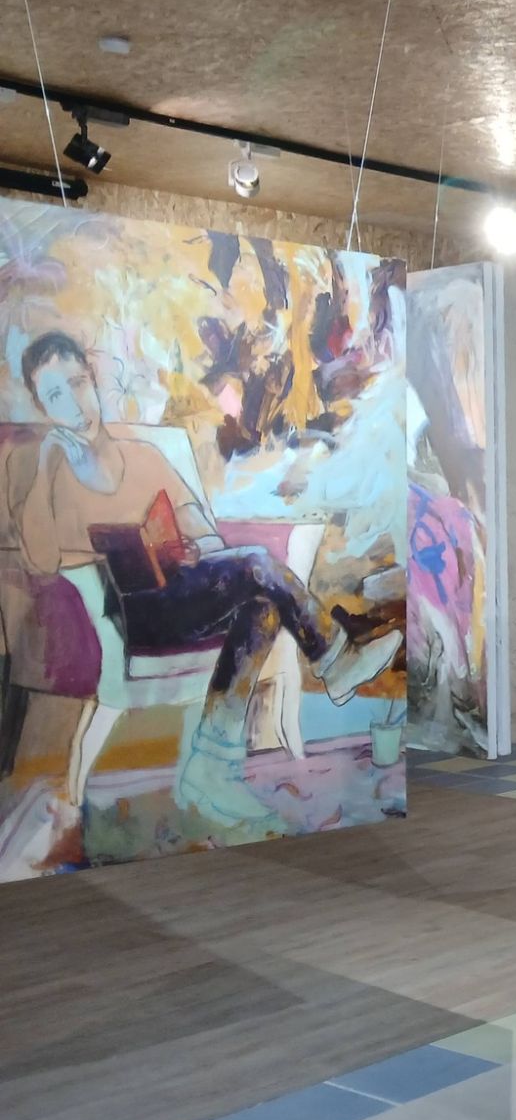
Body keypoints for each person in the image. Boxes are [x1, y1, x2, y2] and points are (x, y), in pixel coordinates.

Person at [14, 332, 402, 828]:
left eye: (76, 384)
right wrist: (47, 460)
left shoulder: (144, 457)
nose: (73, 404)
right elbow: (41, 560)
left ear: (92, 380)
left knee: (261, 608)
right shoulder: (52, 472)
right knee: (258, 563)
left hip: (183, 593)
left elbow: (200, 527)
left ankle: (212, 768)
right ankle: (335, 658)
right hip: (129, 614)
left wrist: (196, 546)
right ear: (44, 409)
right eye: (55, 395)